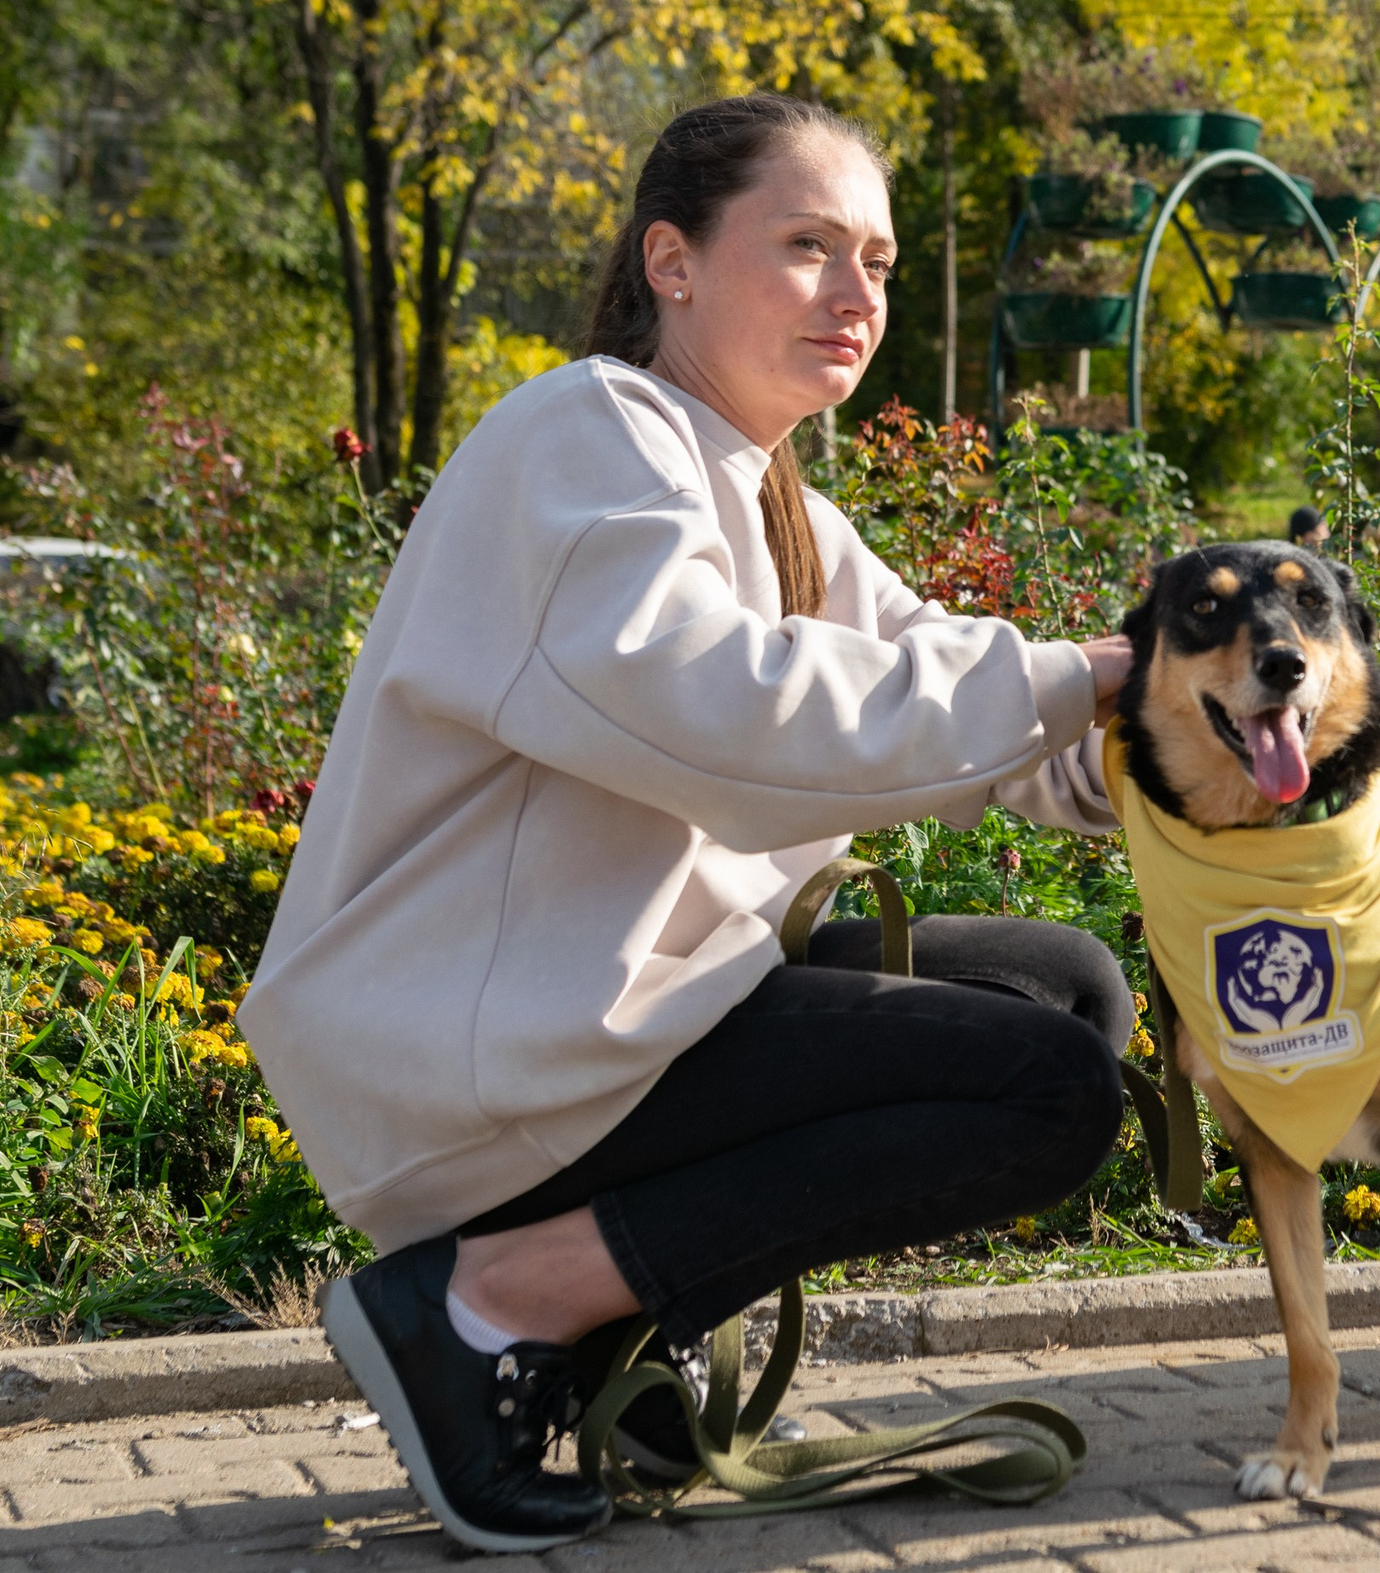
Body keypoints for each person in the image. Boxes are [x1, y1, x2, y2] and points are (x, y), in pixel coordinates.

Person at [243, 94, 1135, 1552]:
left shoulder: (776, 499)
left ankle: (599, 1336)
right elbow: (733, 718)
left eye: (881, 262)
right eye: (807, 247)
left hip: (629, 1008)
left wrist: (1188, 738)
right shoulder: (585, 435)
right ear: (673, 260)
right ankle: (486, 1305)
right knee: (1046, 1092)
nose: (857, 297)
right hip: (506, 1044)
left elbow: (945, 700)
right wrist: (1070, 681)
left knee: (1062, 993)